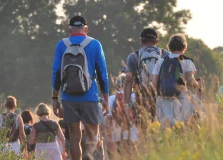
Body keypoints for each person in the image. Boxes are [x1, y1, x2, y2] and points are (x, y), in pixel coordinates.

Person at [51, 15, 110, 160]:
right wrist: (106, 98)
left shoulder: (61, 45)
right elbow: (103, 73)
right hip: (90, 97)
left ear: (69, 29)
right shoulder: (95, 44)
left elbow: (56, 72)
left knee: (75, 137)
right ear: (86, 28)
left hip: (68, 97)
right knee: (92, 135)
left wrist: (55, 98)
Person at [123, 28, 170, 128]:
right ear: (157, 41)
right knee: (161, 130)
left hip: (141, 100)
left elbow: (128, 80)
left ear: (141, 41)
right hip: (161, 100)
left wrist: (126, 104)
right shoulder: (166, 55)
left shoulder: (133, 56)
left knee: (143, 131)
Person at [151, 34, 201, 128]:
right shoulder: (188, 61)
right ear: (184, 46)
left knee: (163, 128)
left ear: (169, 46)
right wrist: (198, 84)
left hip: (163, 97)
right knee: (198, 112)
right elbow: (191, 82)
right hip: (182, 97)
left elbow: (154, 83)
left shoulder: (160, 61)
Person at [106, 73, 139, 155]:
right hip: (133, 134)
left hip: (117, 135)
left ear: (117, 85)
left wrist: (108, 136)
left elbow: (109, 119)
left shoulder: (112, 98)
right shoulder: (134, 96)